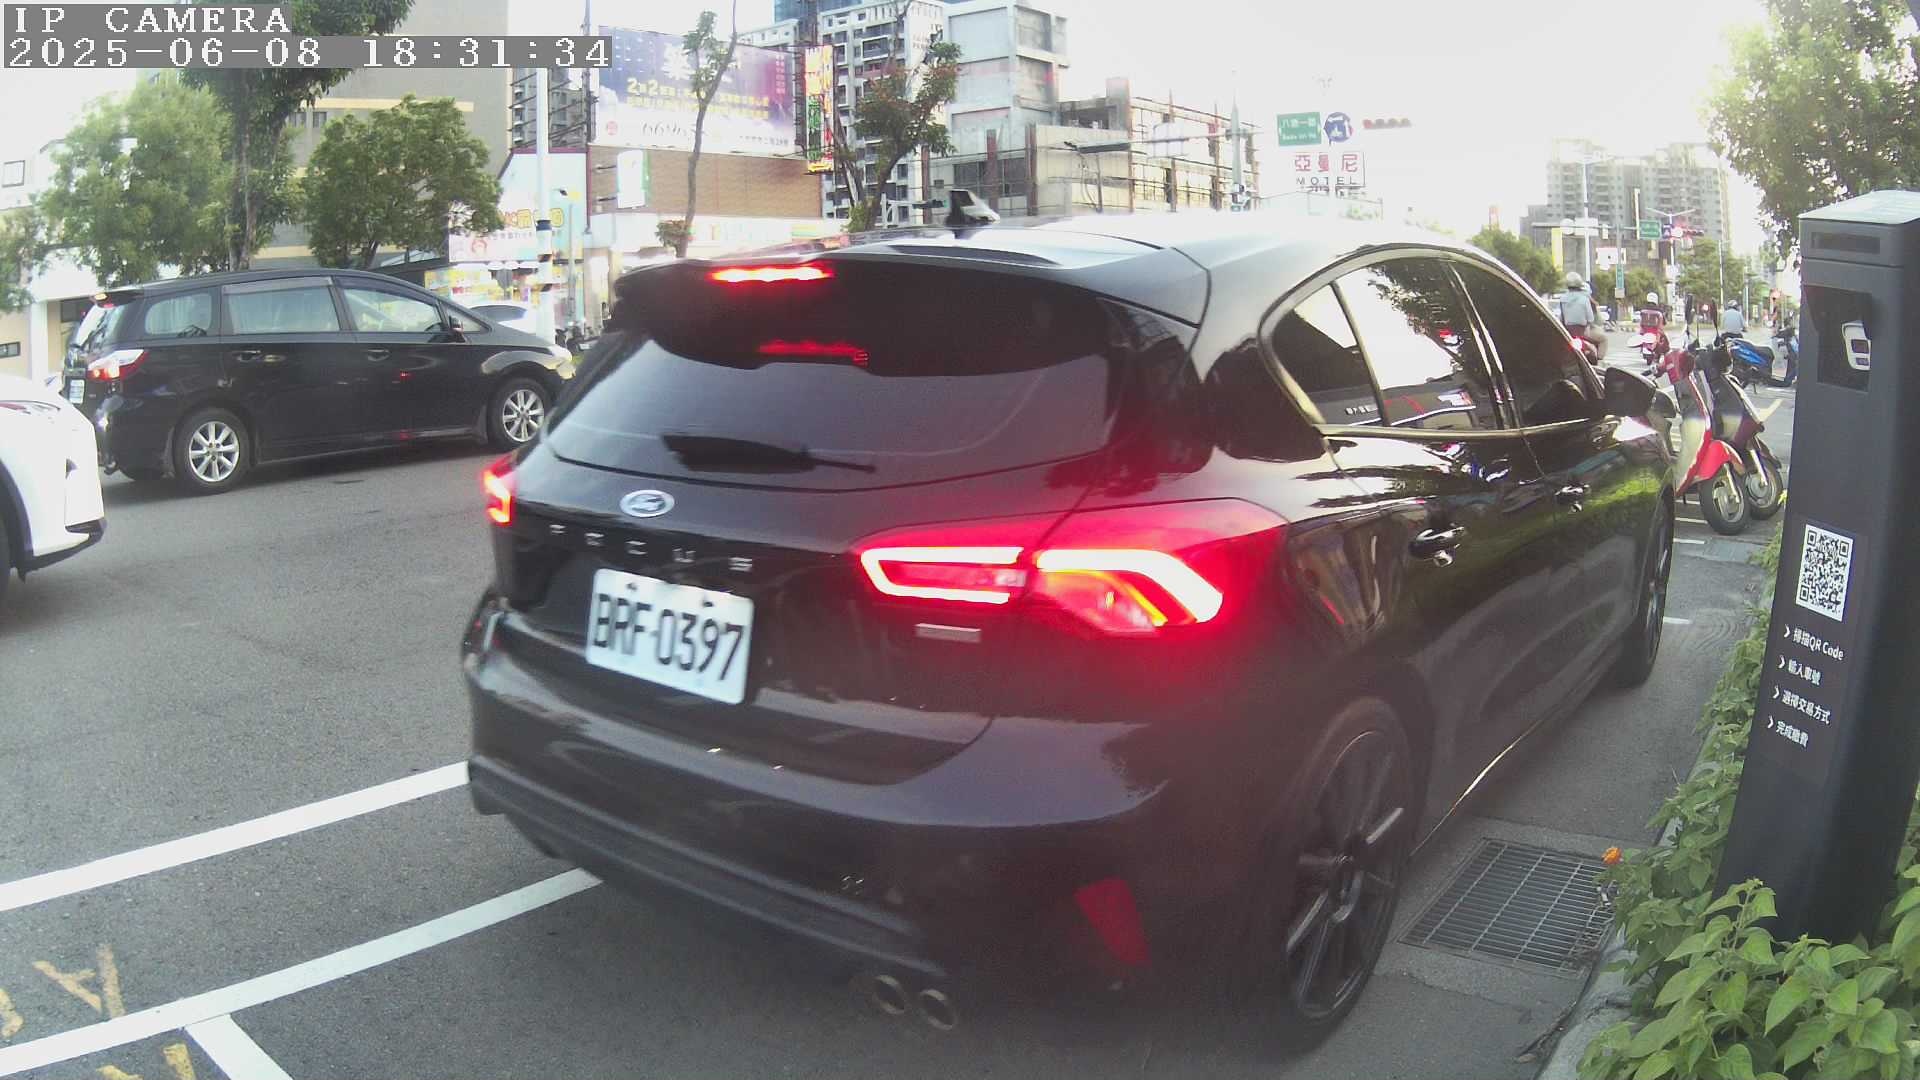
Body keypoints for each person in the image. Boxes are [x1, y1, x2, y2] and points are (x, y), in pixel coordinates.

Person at [1557, 272, 1607, 356]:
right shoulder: (1584, 299)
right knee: (1603, 339)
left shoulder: (1562, 299)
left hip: (1568, 333)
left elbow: (1561, 318)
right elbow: (1590, 319)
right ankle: (1599, 359)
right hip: (1583, 332)